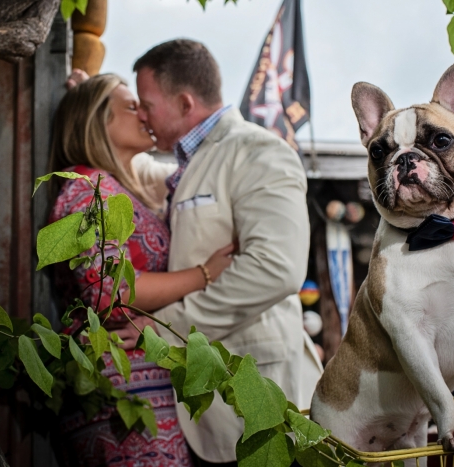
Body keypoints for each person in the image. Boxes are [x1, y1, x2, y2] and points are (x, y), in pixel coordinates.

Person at [133, 39, 323, 466]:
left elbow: (276, 269)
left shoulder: (261, 151)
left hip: (257, 405)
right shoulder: (187, 160)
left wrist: (169, 330)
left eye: (145, 104)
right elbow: (125, 161)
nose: (141, 116)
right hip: (214, 407)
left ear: (184, 103)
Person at [48, 73, 234, 467]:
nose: (145, 116)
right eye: (134, 107)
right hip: (120, 398)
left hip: (139, 391)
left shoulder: (112, 186)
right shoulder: (88, 190)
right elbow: (110, 292)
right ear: (98, 121)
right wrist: (203, 273)